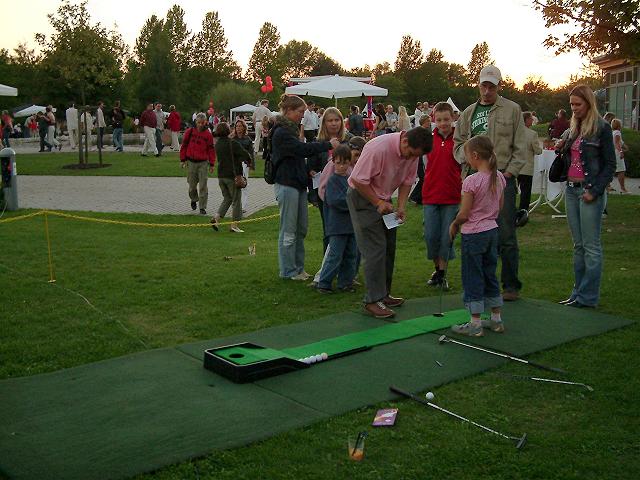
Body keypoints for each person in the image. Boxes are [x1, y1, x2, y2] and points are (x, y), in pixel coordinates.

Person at [454, 65, 526, 301]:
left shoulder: (513, 110)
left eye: (491, 87)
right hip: (474, 182)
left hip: (501, 179)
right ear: (478, 85)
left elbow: (521, 146)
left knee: (505, 234)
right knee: (476, 234)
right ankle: (482, 286)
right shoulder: (467, 113)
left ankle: (510, 285)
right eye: (483, 85)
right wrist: (470, 160)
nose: (486, 91)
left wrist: (509, 173)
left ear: (499, 86)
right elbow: (458, 145)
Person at [347, 126, 433, 318]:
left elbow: (408, 180)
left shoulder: (413, 152)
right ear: (404, 141)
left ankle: (383, 294)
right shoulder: (378, 148)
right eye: (410, 154)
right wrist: (377, 202)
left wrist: (401, 205)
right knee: (375, 249)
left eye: (415, 156)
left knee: (388, 247)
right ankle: (372, 301)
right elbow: (358, 180)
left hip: (384, 199)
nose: (411, 158)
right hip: (363, 197)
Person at [555, 85, 616, 308]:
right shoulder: (575, 128)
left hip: (589, 190)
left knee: (591, 246)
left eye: (578, 104)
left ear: (589, 103)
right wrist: (563, 146)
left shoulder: (602, 128)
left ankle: (588, 297)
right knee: (578, 245)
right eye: (571, 104)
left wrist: (595, 191)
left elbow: (610, 165)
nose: (574, 108)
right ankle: (578, 293)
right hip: (571, 190)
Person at [271, 94, 338, 280]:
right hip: (287, 185)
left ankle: (298, 268)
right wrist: (326, 145)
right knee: (289, 229)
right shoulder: (281, 132)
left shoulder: (290, 130)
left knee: (301, 229)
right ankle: (288, 270)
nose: (303, 115)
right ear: (289, 111)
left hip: (298, 184)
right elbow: (302, 150)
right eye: (300, 112)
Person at [448, 135, 506, 336]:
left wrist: (454, 224)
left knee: (473, 275)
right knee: (490, 273)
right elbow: (499, 206)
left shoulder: (472, 181)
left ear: (474, 155)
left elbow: (464, 214)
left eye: (467, 156)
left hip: (474, 234)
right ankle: (496, 319)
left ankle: (475, 324)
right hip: (492, 231)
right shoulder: (498, 177)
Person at [422, 102, 461, 290]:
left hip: (452, 196)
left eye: (446, 119)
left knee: (447, 237)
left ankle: (442, 273)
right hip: (430, 194)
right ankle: (436, 268)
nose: (443, 123)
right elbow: (424, 165)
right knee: (431, 236)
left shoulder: (460, 140)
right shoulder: (429, 140)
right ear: (433, 120)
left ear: (453, 118)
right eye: (439, 120)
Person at [317, 145, 358, 294]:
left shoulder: (350, 179)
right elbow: (336, 201)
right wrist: (353, 203)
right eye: (339, 162)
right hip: (337, 225)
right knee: (335, 255)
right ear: (333, 162)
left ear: (349, 163)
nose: (341, 166)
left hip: (351, 225)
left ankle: (345, 282)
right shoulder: (333, 181)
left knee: (351, 255)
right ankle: (324, 282)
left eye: (345, 163)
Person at [308, 107, 352, 244]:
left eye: (337, 120)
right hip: (325, 193)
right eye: (330, 120)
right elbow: (311, 167)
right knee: (329, 228)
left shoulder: (349, 141)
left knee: (348, 228)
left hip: (346, 190)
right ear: (324, 123)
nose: (334, 123)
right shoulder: (318, 142)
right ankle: (329, 260)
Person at [211, 122, 251, 233]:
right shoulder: (233, 143)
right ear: (228, 130)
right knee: (237, 200)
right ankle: (234, 225)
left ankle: (216, 218)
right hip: (232, 176)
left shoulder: (218, 144)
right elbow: (246, 155)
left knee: (227, 198)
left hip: (221, 175)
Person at [180, 112, 216, 215]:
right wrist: (183, 159)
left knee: (203, 185)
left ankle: (202, 207)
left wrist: (212, 164)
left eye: (202, 123)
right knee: (192, 186)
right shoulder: (190, 132)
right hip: (191, 162)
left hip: (203, 163)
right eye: (198, 122)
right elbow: (184, 145)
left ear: (205, 122)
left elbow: (211, 149)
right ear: (196, 122)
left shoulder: (208, 135)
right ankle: (194, 198)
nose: (200, 125)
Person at [518, 111, 543, 212]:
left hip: (514, 166)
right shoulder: (532, 134)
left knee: (512, 190)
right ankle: (523, 211)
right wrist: (540, 149)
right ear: (526, 120)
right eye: (531, 119)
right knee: (525, 191)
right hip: (526, 167)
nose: (532, 121)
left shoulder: (515, 132)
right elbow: (537, 150)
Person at [230, 119, 254, 212]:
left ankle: (243, 206)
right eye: (237, 126)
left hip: (244, 164)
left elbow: (251, 153)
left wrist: (251, 164)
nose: (238, 128)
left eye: (240, 126)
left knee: (243, 184)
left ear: (244, 127)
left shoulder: (247, 139)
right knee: (234, 184)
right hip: (234, 164)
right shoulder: (233, 139)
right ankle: (235, 204)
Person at [611, 118, 628, 194]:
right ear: (619, 125)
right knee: (621, 170)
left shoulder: (613, 132)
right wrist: (621, 151)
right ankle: (623, 188)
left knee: (612, 170)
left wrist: (625, 147)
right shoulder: (617, 132)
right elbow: (616, 143)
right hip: (617, 153)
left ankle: (607, 187)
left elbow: (620, 142)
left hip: (613, 152)